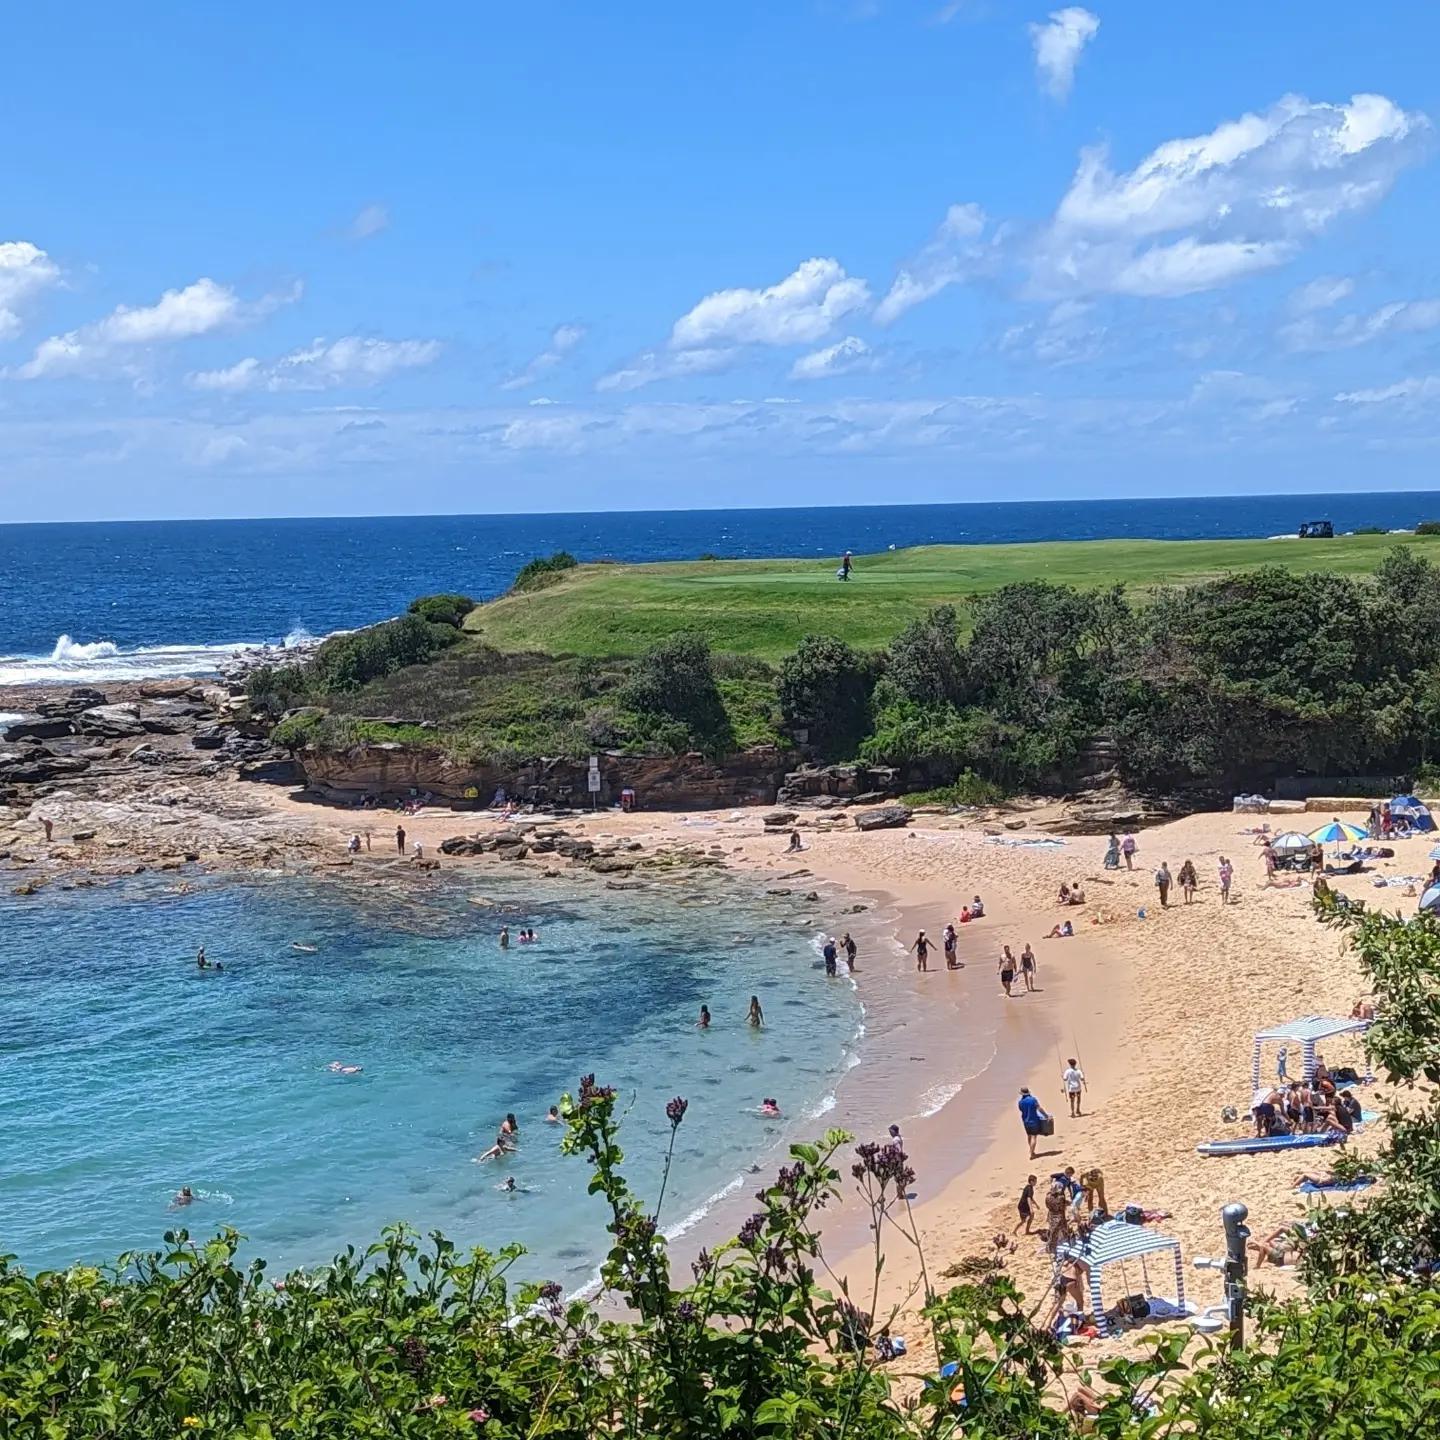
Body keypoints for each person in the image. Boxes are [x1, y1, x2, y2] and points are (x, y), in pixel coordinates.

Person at [1018, 1086, 1046, 1159]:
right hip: (1034, 1120)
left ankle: (1031, 1150)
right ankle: (1031, 1153)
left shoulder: (1020, 1102)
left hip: (1025, 1121)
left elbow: (1021, 1110)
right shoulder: (1033, 1099)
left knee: (1029, 1136)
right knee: (1034, 1136)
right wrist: (1046, 1115)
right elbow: (1039, 1108)